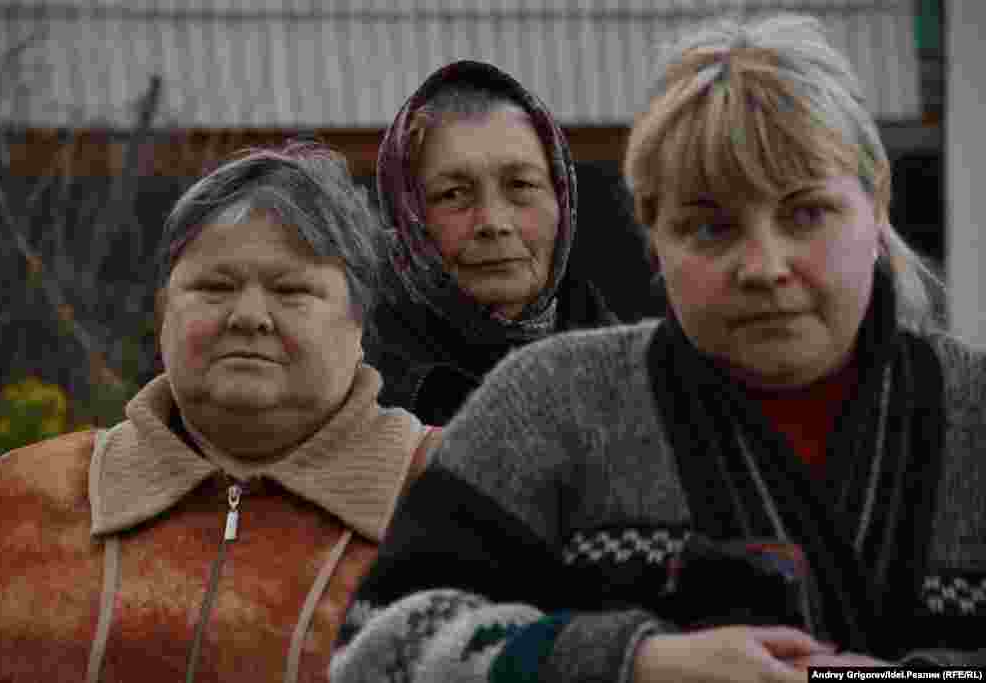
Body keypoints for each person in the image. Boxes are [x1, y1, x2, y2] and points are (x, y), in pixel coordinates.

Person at [330, 14, 985, 683]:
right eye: (711, 228)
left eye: (806, 213)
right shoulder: (552, 403)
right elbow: (375, 648)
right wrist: (633, 662)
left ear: (877, 204)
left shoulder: (975, 411)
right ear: (651, 232)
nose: (765, 266)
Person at [0, 142, 438, 682]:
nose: (249, 316)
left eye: (291, 290)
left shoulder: (453, 494)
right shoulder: (15, 501)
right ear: (164, 312)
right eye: (214, 287)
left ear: (359, 323)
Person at [367, 59, 619, 425]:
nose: (493, 223)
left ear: (563, 200)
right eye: (453, 194)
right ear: (406, 216)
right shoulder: (355, 392)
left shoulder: (635, 376)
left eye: (521, 185)